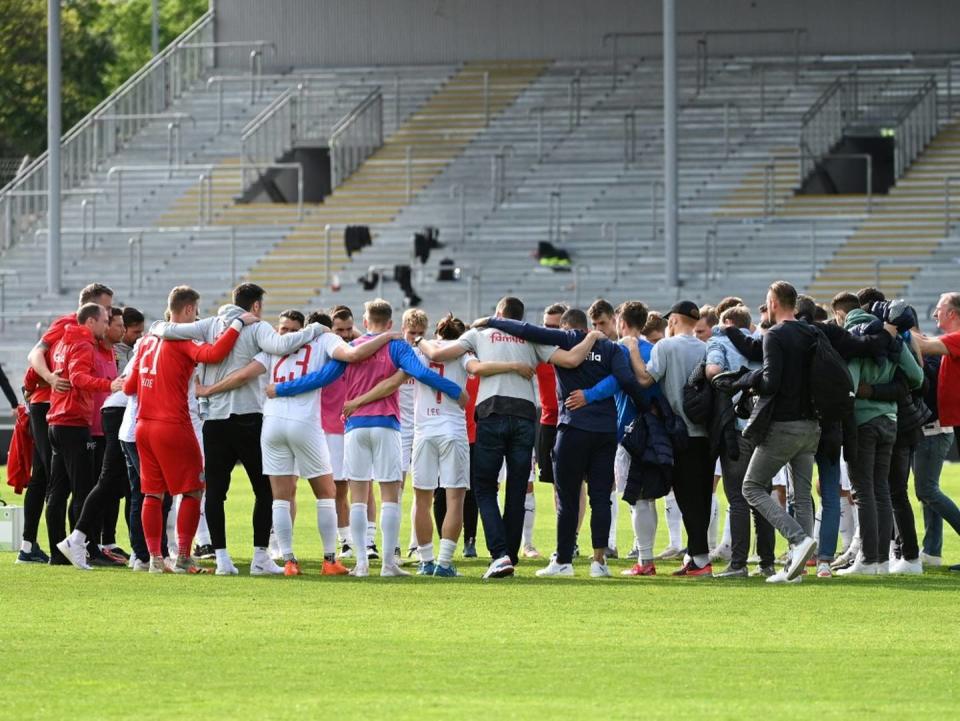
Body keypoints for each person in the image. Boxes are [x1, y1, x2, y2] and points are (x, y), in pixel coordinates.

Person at [268, 298, 465, 578]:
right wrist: (455, 391)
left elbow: (320, 378)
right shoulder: (396, 346)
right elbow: (421, 372)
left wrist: (282, 389)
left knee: (358, 496)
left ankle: (361, 564)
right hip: (386, 425)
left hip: (355, 427)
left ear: (364, 322)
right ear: (390, 324)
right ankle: (387, 564)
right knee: (389, 495)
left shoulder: (350, 348)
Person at [196, 308, 397, 576]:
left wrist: (208, 390)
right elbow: (353, 354)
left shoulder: (273, 347)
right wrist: (388, 336)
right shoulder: (322, 340)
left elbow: (243, 374)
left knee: (280, 496)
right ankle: (329, 560)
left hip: (272, 422)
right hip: (304, 422)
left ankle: (289, 561)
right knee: (326, 492)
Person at [149, 282, 326, 576]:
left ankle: (221, 559)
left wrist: (156, 327)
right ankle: (259, 557)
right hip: (247, 418)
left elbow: (167, 329)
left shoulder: (210, 324)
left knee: (216, 491)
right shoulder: (256, 327)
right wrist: (316, 329)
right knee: (264, 489)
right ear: (255, 306)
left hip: (214, 420)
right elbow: (282, 345)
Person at [416, 296, 598, 579]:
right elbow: (572, 359)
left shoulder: (480, 333)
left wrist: (420, 342)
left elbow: (439, 355)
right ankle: (510, 555)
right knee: (516, 488)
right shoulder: (531, 338)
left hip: (491, 412)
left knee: (485, 487)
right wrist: (593, 336)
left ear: (499, 314)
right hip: (526, 415)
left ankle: (500, 554)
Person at [346, 313, 535, 577]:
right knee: (455, 498)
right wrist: (512, 366)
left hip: (424, 431)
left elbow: (392, 383)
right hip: (453, 431)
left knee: (422, 499)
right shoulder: (463, 353)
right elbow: (477, 369)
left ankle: (425, 561)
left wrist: (358, 400)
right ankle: (444, 563)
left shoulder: (420, 354)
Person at [480, 307, 648, 578]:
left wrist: (491, 321)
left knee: (567, 499)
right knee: (601, 498)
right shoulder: (612, 349)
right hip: (605, 432)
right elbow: (626, 380)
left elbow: (526, 330)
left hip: (573, 429)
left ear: (568, 327)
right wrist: (651, 408)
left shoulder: (565, 341)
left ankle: (564, 561)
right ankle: (599, 562)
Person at [123, 286, 252, 574]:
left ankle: (155, 559)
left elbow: (130, 387)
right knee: (193, 489)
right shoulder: (181, 340)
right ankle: (182, 556)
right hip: (173, 425)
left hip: (142, 426)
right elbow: (215, 354)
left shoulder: (145, 343)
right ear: (190, 310)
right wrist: (238, 323)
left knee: (152, 494)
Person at [737, 282, 822, 583]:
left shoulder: (774, 334)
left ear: (773, 302)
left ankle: (798, 541)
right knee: (801, 494)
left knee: (752, 487)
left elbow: (771, 382)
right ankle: (794, 570)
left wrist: (747, 380)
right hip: (812, 425)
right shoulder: (811, 332)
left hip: (783, 424)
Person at [25, 283, 114, 565]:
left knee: (54, 482)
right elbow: (36, 356)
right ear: (90, 310)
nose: (110, 317)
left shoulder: (72, 336)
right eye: (107, 310)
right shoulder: (69, 329)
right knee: (66, 483)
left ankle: (53, 551)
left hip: (56, 414)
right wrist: (50, 378)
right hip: (59, 409)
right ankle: (67, 547)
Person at [628, 300, 714, 576]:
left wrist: (632, 348)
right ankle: (696, 554)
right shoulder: (705, 347)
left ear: (674, 321)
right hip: (705, 432)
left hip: (679, 432)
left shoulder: (666, 346)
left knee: (687, 498)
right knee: (701, 495)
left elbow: (645, 379)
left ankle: (700, 560)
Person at [50, 303, 125, 569]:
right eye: (105, 321)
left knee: (58, 490)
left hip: (58, 420)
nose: (107, 326)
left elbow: (64, 374)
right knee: (82, 490)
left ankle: (58, 554)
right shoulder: (83, 344)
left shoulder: (64, 341)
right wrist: (109, 384)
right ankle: (78, 547)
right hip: (73, 420)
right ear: (91, 321)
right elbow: (80, 377)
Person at [705, 305, 776, 578]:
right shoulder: (764, 343)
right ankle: (767, 562)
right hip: (763, 428)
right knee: (761, 495)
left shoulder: (720, 341)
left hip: (735, 427)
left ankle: (738, 564)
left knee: (737, 497)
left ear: (728, 322)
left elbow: (713, 371)